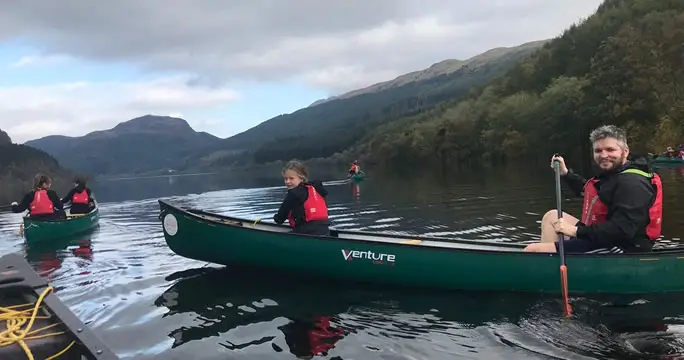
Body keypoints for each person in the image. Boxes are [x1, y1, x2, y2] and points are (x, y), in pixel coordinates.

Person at [524, 125, 663, 254]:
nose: (603, 155)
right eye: (598, 151)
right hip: (604, 237)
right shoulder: (615, 174)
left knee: (532, 250)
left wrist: (576, 231)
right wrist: (565, 173)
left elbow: (623, 230)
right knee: (552, 216)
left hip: (623, 247)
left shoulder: (632, 183)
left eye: (610, 150)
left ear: (625, 151)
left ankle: (551, 261)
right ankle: (554, 262)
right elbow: (592, 193)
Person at [273, 160, 331, 236]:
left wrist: (275, 217)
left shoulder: (293, 194)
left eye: (291, 178)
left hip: (305, 233)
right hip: (325, 232)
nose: (287, 182)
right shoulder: (317, 189)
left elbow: (279, 219)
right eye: (285, 179)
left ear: (302, 178)